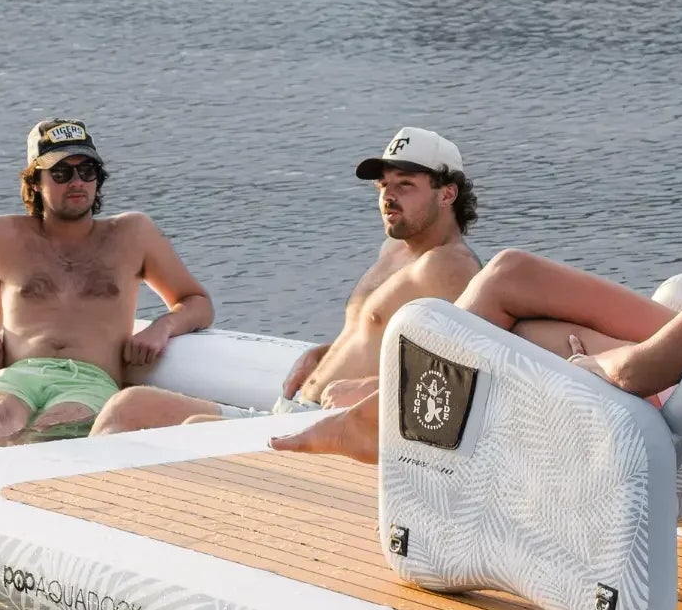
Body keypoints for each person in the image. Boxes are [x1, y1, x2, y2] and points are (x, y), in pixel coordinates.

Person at [273, 73, 682, 462]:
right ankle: (385, 397)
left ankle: (373, 419)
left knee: (518, 313)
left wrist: (591, 363)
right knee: (511, 275)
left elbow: (640, 371)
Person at [90, 127, 482, 435]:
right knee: (129, 407)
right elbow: (381, 336)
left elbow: (467, 377)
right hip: (290, 411)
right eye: (384, 186)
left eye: (405, 186)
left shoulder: (451, 266)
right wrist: (326, 353)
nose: (388, 197)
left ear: (447, 194)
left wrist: (372, 391)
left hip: (325, 429)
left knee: (192, 430)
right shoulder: (395, 251)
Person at [0, 119, 215, 448]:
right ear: (35, 181)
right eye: (62, 174)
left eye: (87, 171)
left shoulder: (133, 235)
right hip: (18, 373)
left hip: (90, 379)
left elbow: (197, 302)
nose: (77, 182)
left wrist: (162, 327)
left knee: (60, 423)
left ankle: (4, 460)